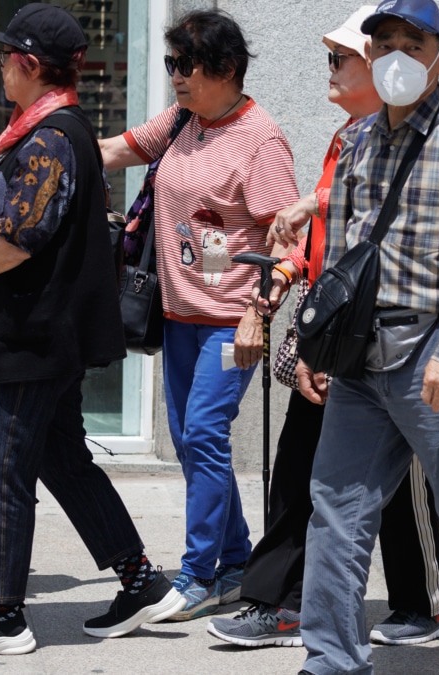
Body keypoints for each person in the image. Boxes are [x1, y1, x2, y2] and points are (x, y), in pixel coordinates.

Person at [0, 5, 183, 658]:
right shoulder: (39, 132)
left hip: (33, 336)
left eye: (6, 56)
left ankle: (4, 613)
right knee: (63, 459)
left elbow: (17, 241)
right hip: (40, 331)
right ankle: (140, 580)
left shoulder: (51, 137)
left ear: (30, 65)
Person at [286, 2, 439, 673]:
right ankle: (332, 657)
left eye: (411, 43)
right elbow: (339, 254)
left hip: (434, 358)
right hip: (360, 362)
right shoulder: (360, 140)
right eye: (384, 43)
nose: (396, 54)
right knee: (336, 513)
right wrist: (317, 347)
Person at [206, 5, 439, 650]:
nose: (337, 67)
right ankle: (282, 600)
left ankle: (425, 605)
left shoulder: (423, 137)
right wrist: (284, 281)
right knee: (303, 471)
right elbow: (326, 238)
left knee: (405, 482)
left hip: (399, 334)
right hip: (338, 329)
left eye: (342, 57)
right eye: (350, 53)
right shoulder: (348, 137)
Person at [100, 9, 300, 621]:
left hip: (229, 321)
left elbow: (290, 242)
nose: (176, 78)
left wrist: (258, 316)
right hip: (180, 313)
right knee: (191, 444)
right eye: (172, 65)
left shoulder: (260, 140)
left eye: (186, 67)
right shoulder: (184, 120)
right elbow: (112, 151)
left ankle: (196, 573)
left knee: (206, 436)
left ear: (227, 69)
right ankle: (236, 562)